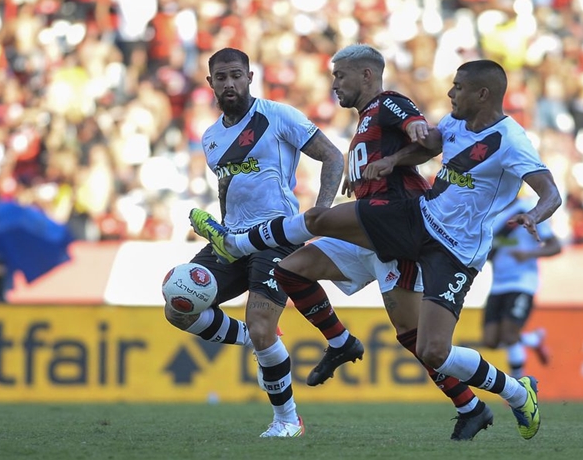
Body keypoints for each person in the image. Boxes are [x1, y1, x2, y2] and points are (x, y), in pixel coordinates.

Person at [191, 59, 562, 440]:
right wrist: (393, 159)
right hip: (418, 223)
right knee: (292, 264)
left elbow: (551, 192)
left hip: (452, 249)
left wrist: (535, 214)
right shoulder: (452, 122)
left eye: (458, 87)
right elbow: (429, 144)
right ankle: (338, 340)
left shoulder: (503, 138)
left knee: (431, 348)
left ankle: (514, 393)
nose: (450, 93)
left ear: (482, 94)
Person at [265, 44, 494, 440]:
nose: (335, 84)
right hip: (365, 229)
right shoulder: (365, 121)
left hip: (396, 230)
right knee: (290, 270)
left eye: (341, 76)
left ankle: (472, 406)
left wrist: (413, 135)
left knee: (414, 337)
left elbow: (422, 134)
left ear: (367, 75)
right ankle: (341, 342)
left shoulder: (388, 102)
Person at [164, 48, 344, 438]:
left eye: (236, 75)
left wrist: (322, 213)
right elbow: (229, 189)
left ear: (250, 77)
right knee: (177, 307)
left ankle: (287, 420)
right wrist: (219, 229)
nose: (229, 83)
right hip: (231, 241)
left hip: (274, 238)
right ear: (210, 83)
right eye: (221, 77)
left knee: (263, 326)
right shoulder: (211, 137)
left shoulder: (277, 116)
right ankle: (254, 339)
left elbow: (332, 157)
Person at [482, 194, 561, 379]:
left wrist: (529, 254)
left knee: (509, 335)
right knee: (490, 340)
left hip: (522, 281)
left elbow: (556, 246)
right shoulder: (491, 211)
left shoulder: (527, 210)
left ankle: (519, 387)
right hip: (498, 283)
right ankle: (533, 339)